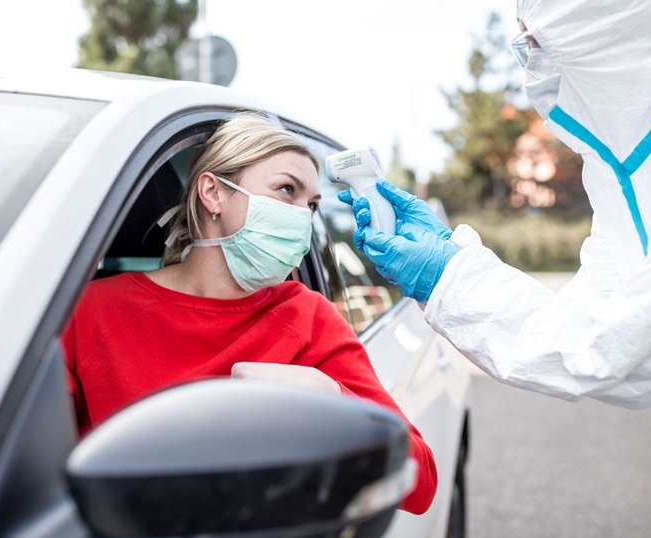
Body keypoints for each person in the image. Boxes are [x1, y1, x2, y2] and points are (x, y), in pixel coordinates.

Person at [339, 0, 651, 475]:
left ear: (603, 28)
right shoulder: (627, 164)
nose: (530, 61)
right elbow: (595, 306)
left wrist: (445, 278)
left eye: (537, 40)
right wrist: (452, 256)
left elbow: (626, 350)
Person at [62, 113, 437, 514]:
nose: (301, 218)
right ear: (213, 192)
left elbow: (422, 481)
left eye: (311, 205)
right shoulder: (90, 310)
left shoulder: (307, 315)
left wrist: (331, 399)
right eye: (286, 190)